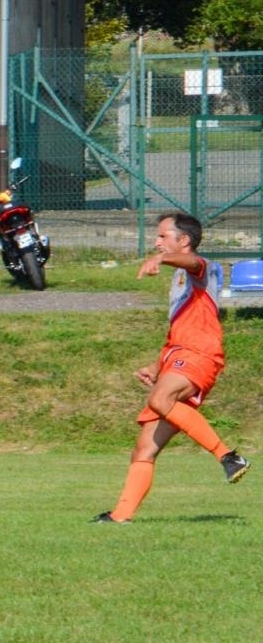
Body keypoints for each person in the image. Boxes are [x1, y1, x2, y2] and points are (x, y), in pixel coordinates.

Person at [97, 211, 249, 523]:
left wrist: (163, 260)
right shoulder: (179, 282)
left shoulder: (203, 268)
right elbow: (182, 326)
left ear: (184, 241)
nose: (156, 242)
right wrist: (157, 364)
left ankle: (228, 456)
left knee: (160, 400)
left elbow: (195, 263)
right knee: (143, 450)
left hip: (198, 354)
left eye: (163, 236)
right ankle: (119, 516)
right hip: (178, 356)